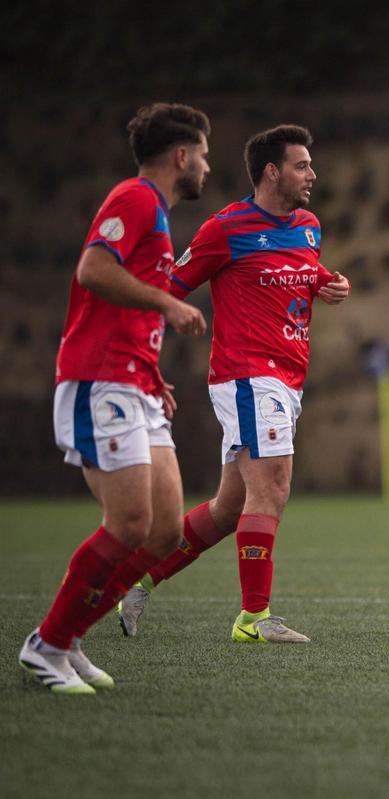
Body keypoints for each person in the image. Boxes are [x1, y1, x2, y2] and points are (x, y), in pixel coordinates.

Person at [116, 124, 351, 644]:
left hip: (287, 378)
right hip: (248, 376)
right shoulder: (225, 229)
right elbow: (167, 290)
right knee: (273, 488)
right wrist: (141, 358)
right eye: (301, 165)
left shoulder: (308, 226)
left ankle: (135, 579)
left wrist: (325, 282)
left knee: (227, 509)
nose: (312, 174)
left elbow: (299, 269)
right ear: (272, 172)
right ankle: (253, 618)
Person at [19, 103, 211, 694]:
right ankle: (47, 645)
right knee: (128, 522)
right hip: (100, 381)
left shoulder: (155, 211)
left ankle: (68, 636)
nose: (207, 166)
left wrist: (152, 374)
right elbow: (93, 270)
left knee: (164, 532)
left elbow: (121, 306)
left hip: (135, 382)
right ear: (181, 155)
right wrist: (169, 303)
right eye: (203, 155)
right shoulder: (134, 198)